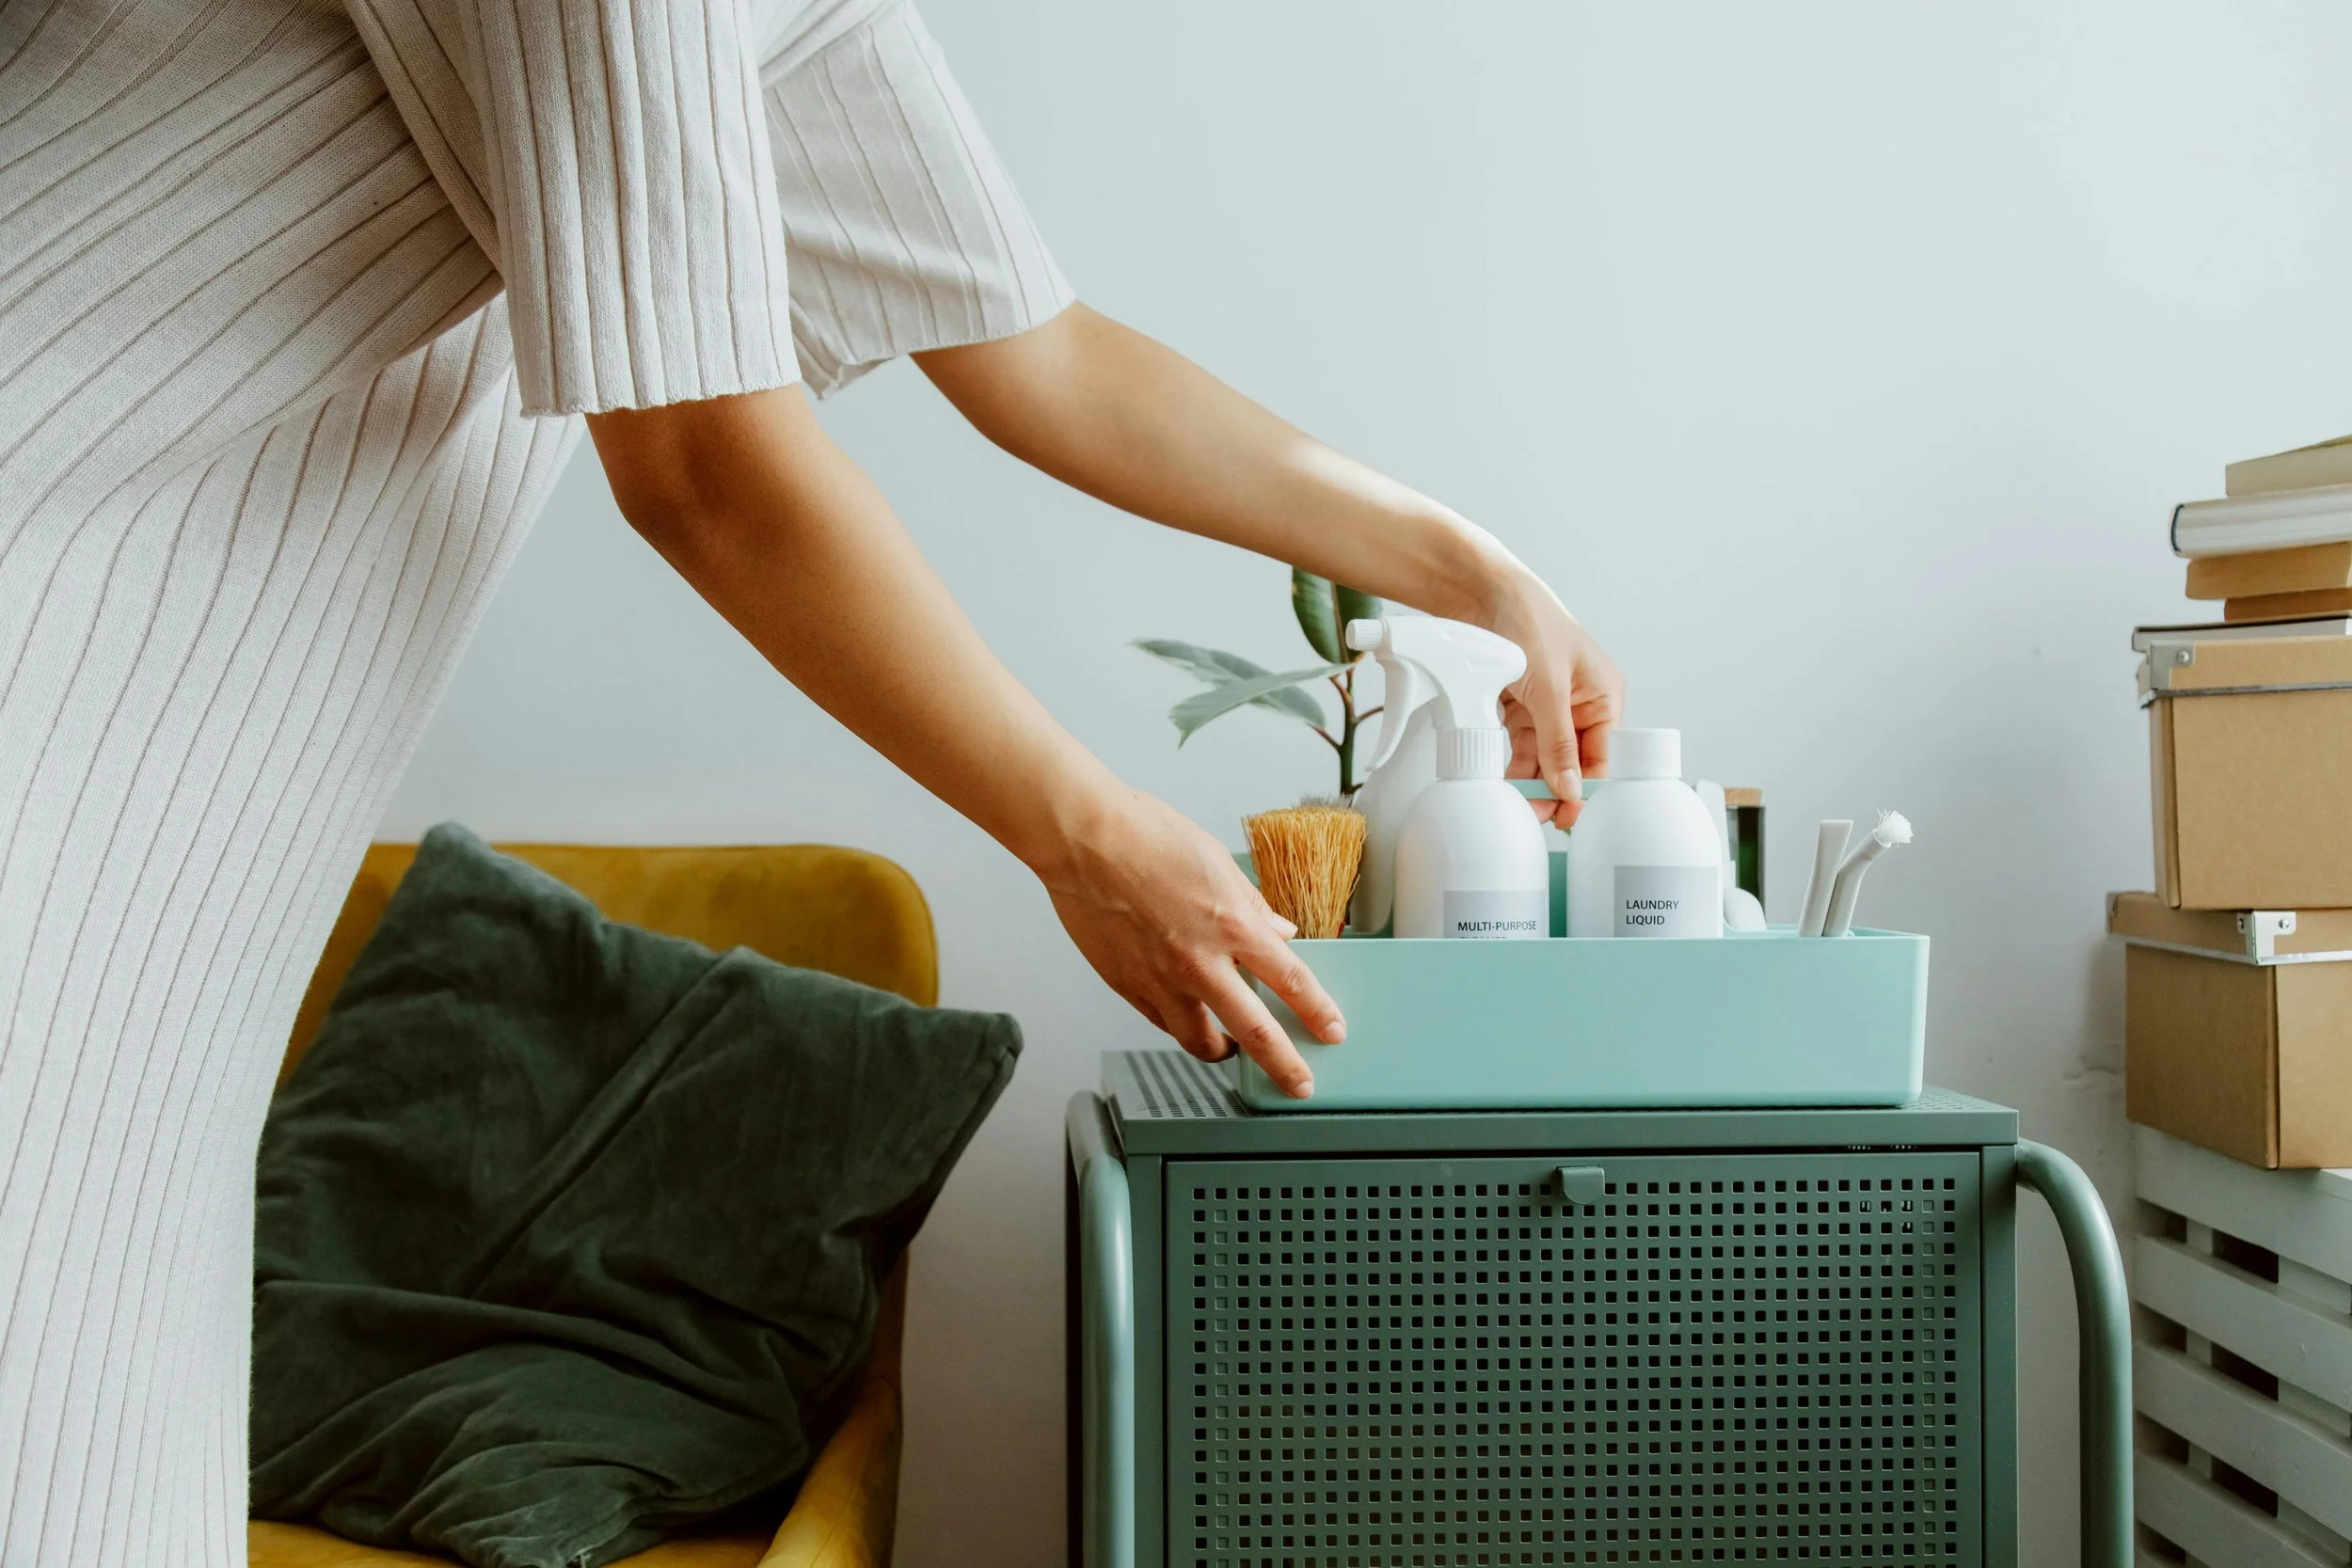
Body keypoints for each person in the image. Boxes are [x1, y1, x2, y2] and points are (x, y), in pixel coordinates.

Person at [0, 0, 1622, 1560]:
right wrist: (1082, 832)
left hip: (147, 796)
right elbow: (705, 463)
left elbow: (1034, 353)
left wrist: (1474, 572)